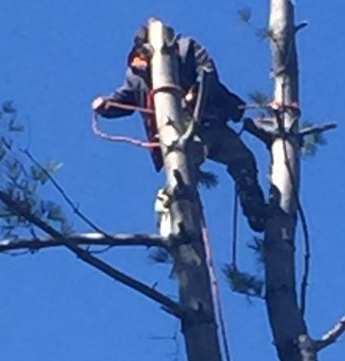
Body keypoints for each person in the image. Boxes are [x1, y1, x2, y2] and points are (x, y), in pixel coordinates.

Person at [93, 22, 267, 232]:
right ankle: (176, 208)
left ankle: (255, 209)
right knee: (185, 167)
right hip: (175, 133)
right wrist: (106, 105)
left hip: (207, 119)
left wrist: (194, 93)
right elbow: (125, 98)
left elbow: (208, 73)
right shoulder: (138, 73)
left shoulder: (186, 47)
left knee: (242, 160)